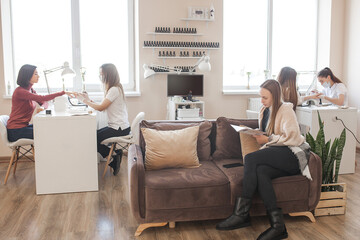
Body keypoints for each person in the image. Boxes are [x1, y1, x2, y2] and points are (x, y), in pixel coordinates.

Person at [216, 79, 311, 240]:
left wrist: (267, 140)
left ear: (275, 96)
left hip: (292, 154)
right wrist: (256, 133)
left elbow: (293, 137)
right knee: (261, 171)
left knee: (252, 159)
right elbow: (268, 132)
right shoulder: (264, 110)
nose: (261, 101)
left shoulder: (286, 109)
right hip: (278, 152)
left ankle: (242, 215)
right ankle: (278, 227)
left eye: (265, 98)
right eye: (260, 97)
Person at [76, 63, 130, 176]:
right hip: (119, 126)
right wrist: (88, 99)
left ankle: (113, 157)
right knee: (92, 136)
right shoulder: (115, 88)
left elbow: (101, 108)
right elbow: (103, 106)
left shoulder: (114, 90)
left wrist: (84, 101)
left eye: (102, 74)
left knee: (91, 139)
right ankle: (114, 155)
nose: (100, 77)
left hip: (119, 128)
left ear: (108, 75)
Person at [7, 64, 74, 142]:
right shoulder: (20, 91)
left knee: (46, 127)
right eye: (35, 74)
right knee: (47, 132)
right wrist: (63, 92)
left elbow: (44, 102)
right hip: (15, 131)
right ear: (27, 75)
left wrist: (42, 107)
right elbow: (43, 98)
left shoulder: (31, 89)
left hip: (23, 127)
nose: (38, 76)